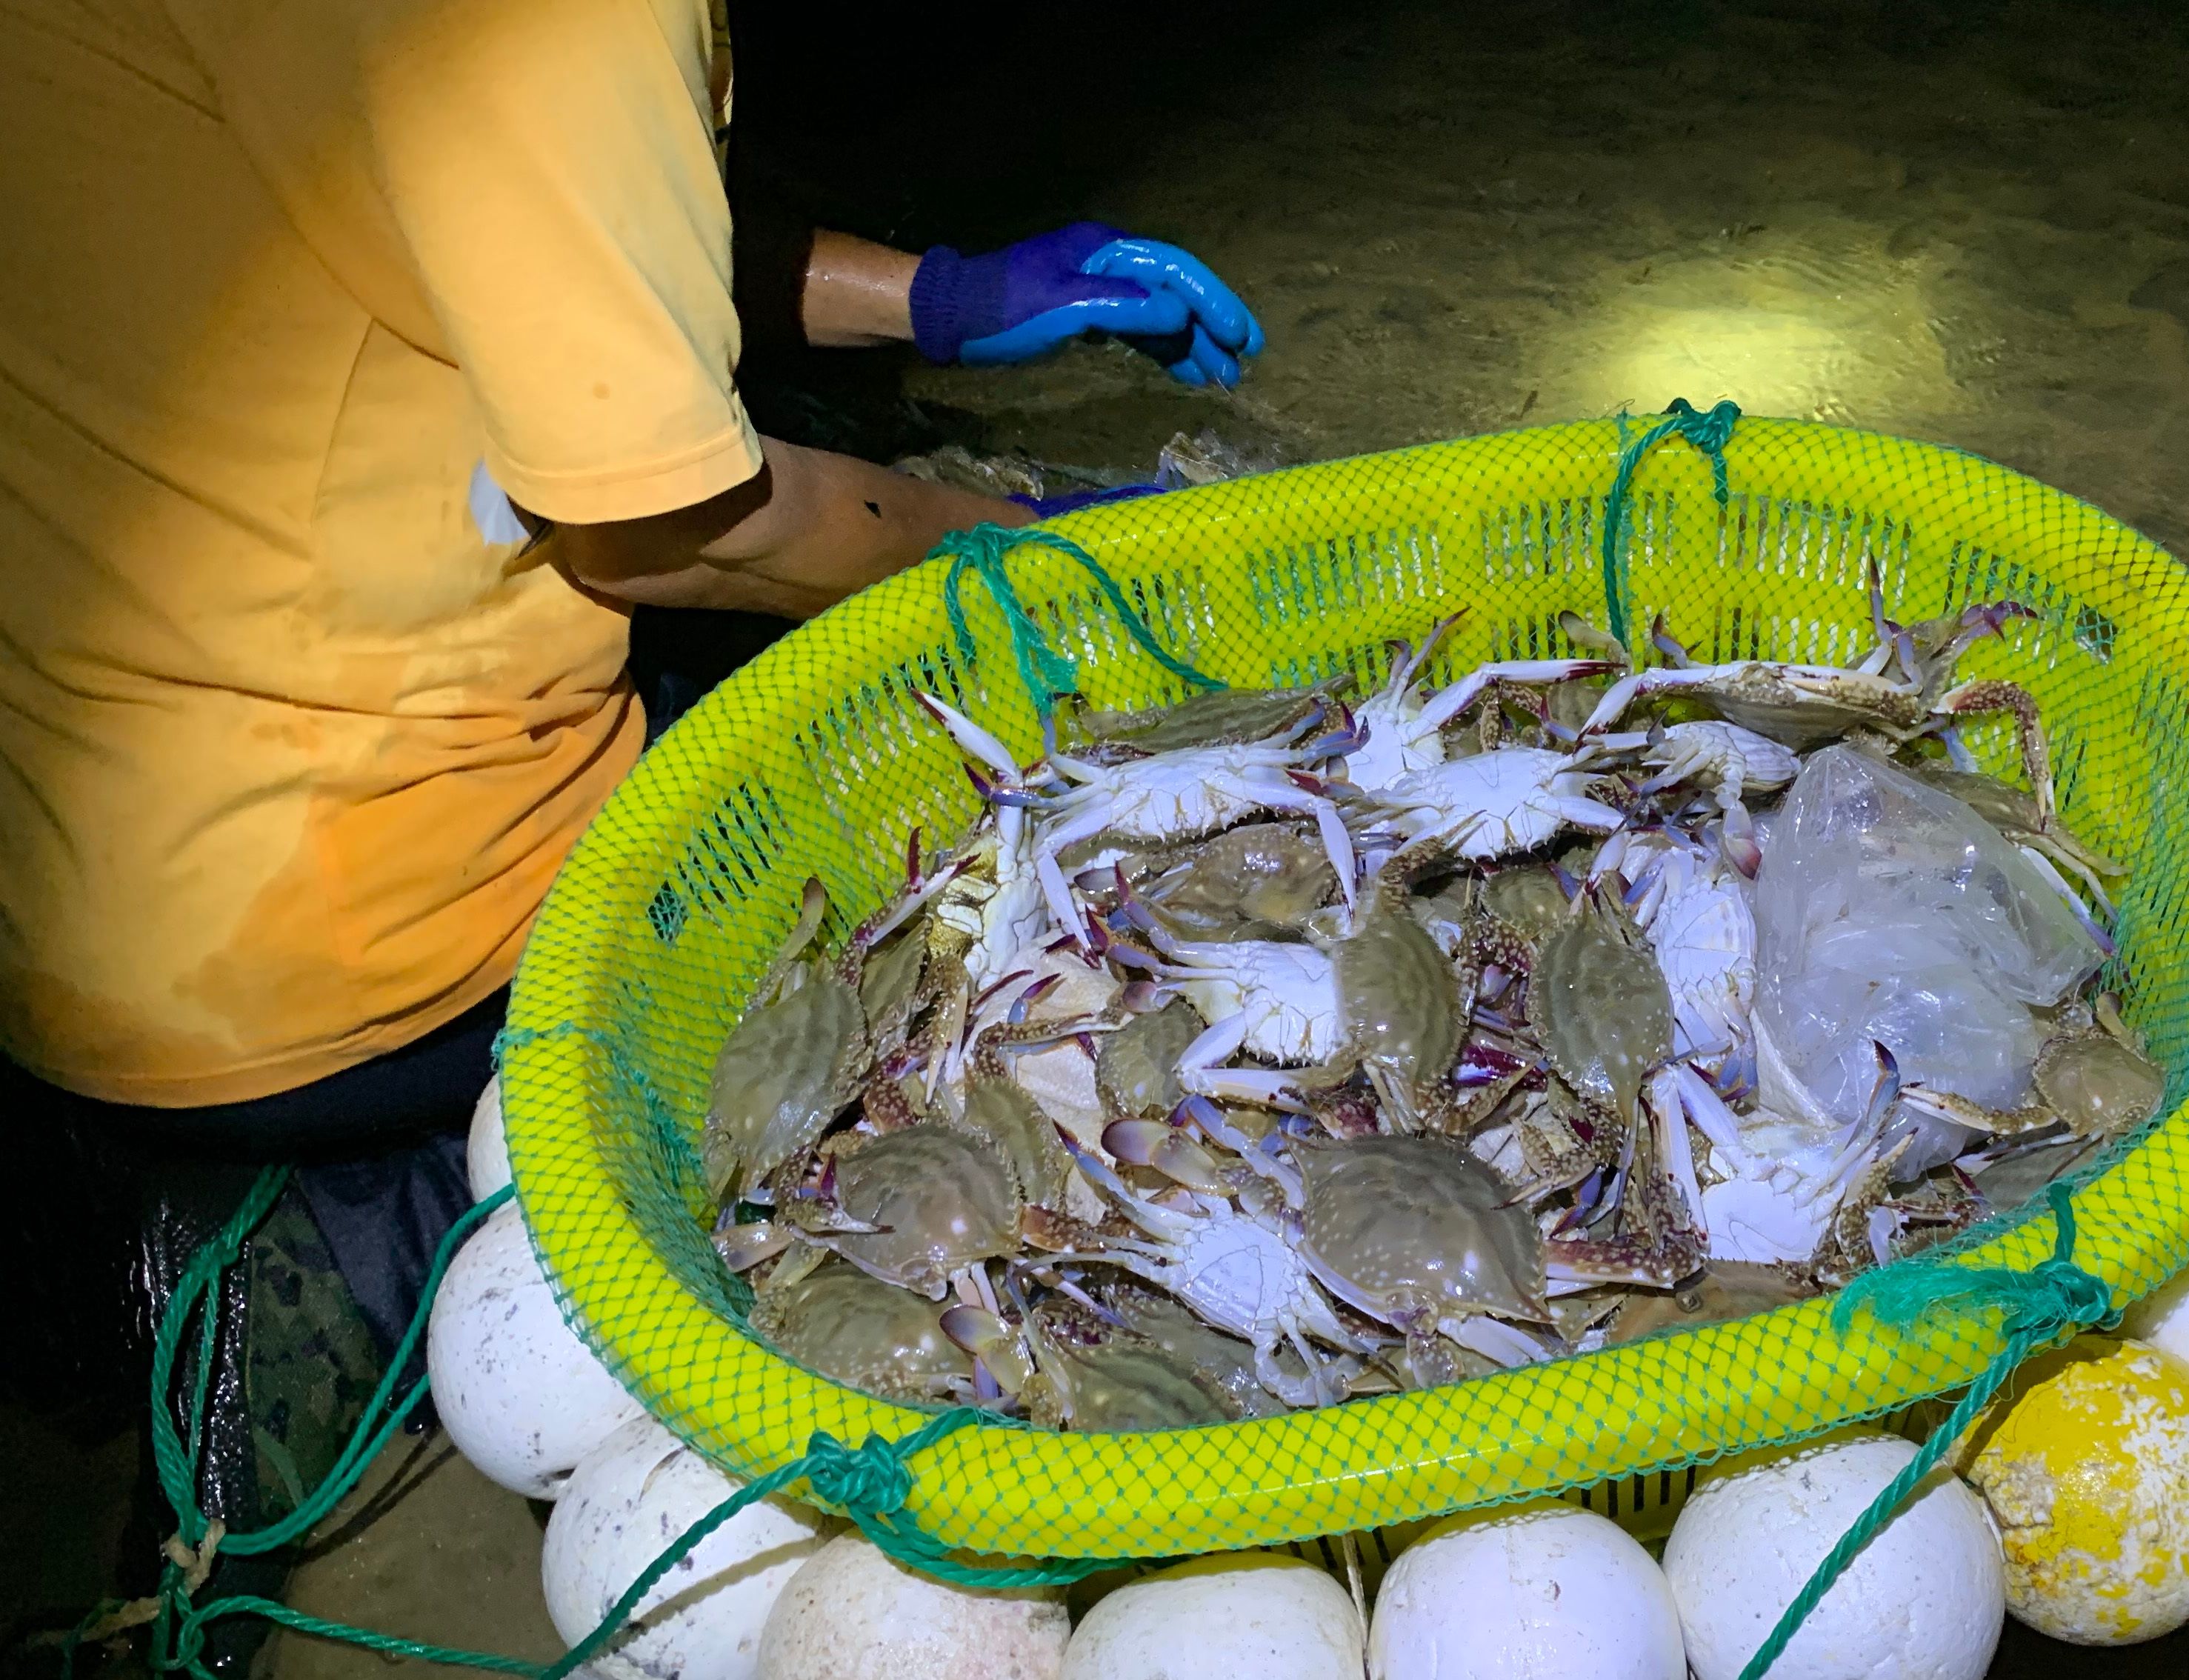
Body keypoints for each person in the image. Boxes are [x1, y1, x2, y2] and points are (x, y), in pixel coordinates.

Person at [0, 0, 1260, 1659]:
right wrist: (1041, 550)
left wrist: (933, 298)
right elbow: (667, 524)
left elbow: (529, 223)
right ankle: (360, 1236)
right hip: (332, 911)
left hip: (82, 824)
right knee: (957, 863)